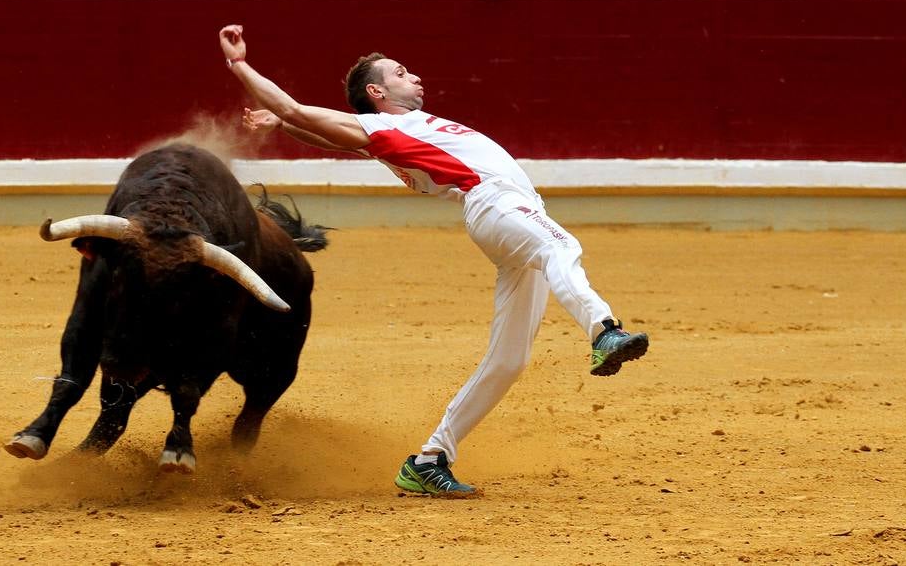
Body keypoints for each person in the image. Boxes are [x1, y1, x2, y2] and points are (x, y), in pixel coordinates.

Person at [216, 24, 650, 498]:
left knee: (508, 360)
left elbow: (323, 131)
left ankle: (430, 458)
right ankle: (603, 331)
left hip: (503, 214)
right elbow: (295, 107)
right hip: (497, 203)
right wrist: (240, 65)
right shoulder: (384, 127)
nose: (416, 76)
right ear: (377, 91)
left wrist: (285, 126)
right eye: (402, 73)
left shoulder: (385, 134)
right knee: (561, 249)